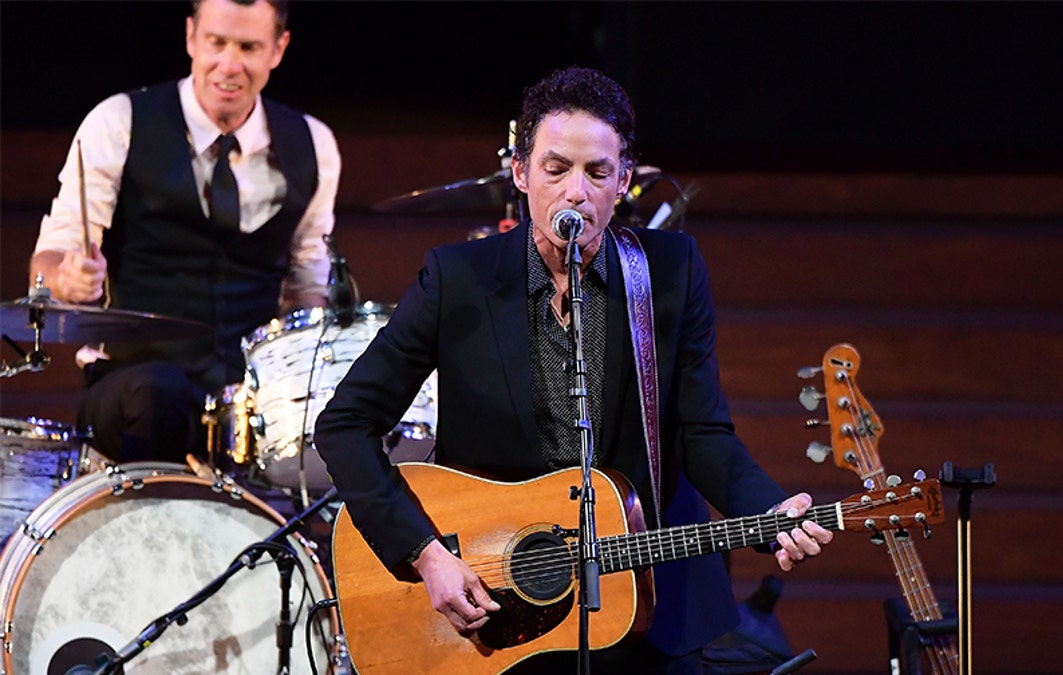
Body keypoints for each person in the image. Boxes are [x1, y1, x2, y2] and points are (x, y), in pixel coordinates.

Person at [313, 66, 831, 674]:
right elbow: (345, 424)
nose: (575, 193)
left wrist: (766, 510)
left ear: (623, 182)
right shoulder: (458, 280)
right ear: (521, 174)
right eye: (556, 169)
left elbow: (702, 433)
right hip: (499, 614)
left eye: (597, 172)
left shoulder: (669, 273)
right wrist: (426, 554)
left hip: (647, 602)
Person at [29, 0, 340, 465]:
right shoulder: (119, 122)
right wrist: (68, 279)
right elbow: (49, 260)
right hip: (131, 385)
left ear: (279, 49)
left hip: (244, 400)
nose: (229, 66)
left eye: (249, 47)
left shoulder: (313, 144)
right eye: (216, 43)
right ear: (191, 37)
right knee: (159, 393)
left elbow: (309, 288)